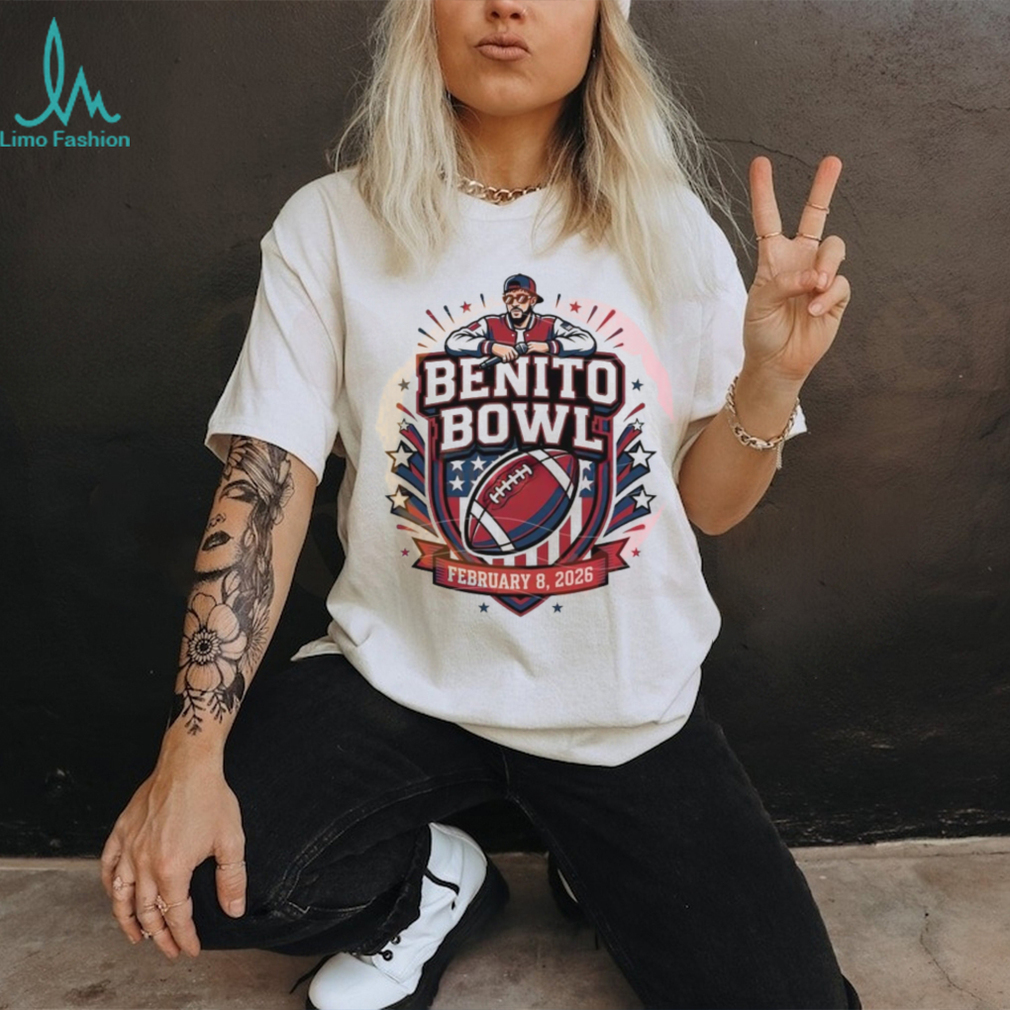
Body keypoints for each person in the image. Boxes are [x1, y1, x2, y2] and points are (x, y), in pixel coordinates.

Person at [100, 1, 858, 1007]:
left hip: (616, 710)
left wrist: (770, 377)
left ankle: (596, 862)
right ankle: (432, 888)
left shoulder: (669, 227)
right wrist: (188, 756)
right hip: (398, 678)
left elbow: (709, 509)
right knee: (200, 876)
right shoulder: (331, 223)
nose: (506, 5)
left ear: (603, 22)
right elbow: (264, 489)